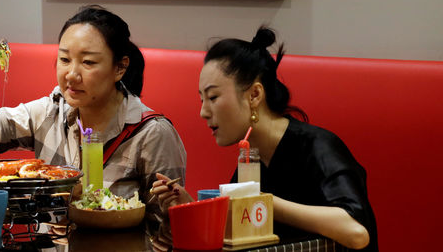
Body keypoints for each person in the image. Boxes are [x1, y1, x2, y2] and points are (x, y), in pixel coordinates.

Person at [0, 5, 186, 224]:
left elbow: (166, 225)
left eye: (88, 62)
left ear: (120, 67)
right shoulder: (50, 111)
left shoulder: (152, 134)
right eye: (64, 59)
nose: (71, 74)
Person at [152, 27, 377, 251]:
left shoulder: (318, 146)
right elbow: (235, 233)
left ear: (254, 95)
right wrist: (187, 205)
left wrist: (264, 203)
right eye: (202, 99)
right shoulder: (251, 157)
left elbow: (356, 232)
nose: (203, 112)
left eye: (213, 97)